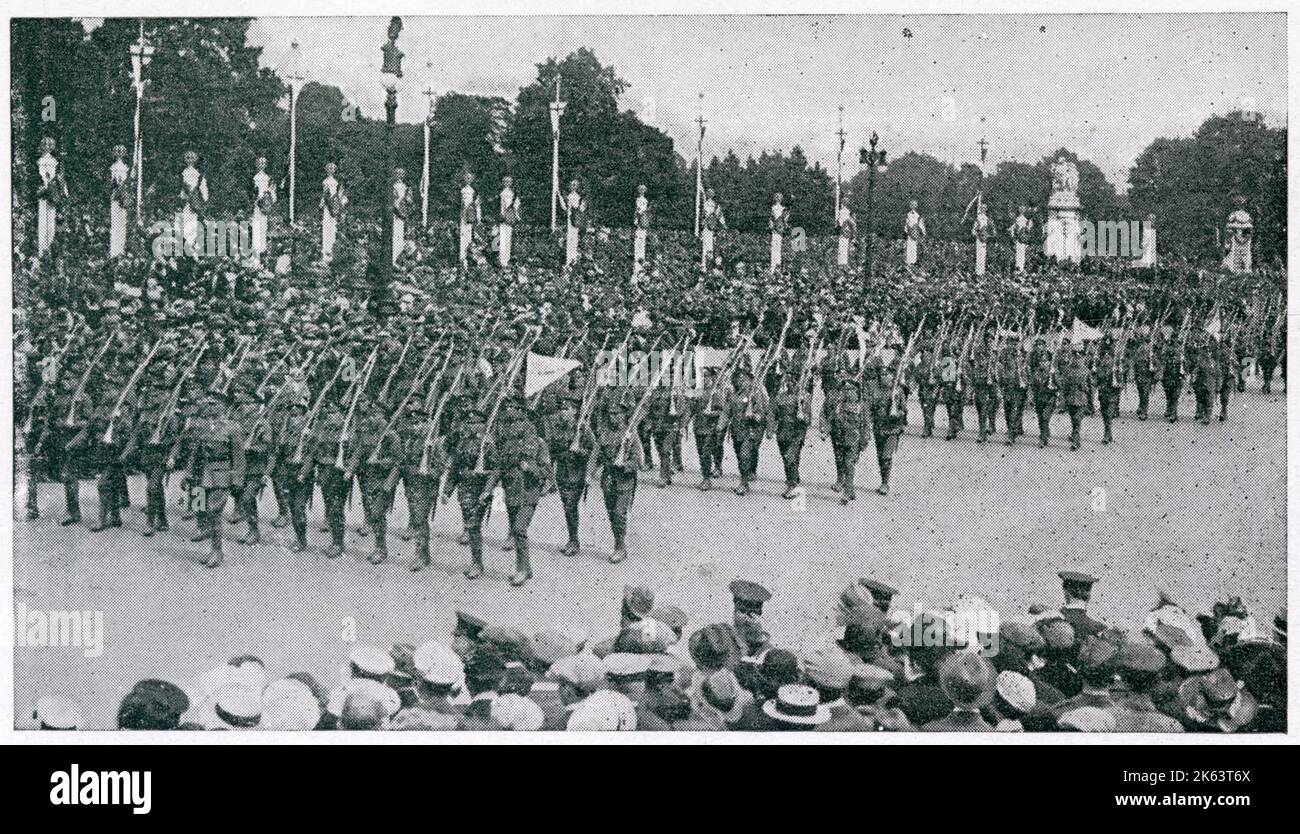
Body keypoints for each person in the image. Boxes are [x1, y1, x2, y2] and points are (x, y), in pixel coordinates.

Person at [183, 386, 246, 568]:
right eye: (208, 403)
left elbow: (239, 457)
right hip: (202, 473)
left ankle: (217, 551)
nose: (209, 406)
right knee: (199, 507)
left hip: (221, 474)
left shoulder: (232, 428)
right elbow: (195, 453)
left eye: (214, 403)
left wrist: (237, 481)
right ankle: (206, 538)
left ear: (223, 407)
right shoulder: (202, 426)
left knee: (214, 512)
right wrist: (188, 473)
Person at [36, 137, 69, 257]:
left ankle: (48, 250)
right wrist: (45, 186)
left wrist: (56, 188)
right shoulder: (41, 161)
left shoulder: (54, 162)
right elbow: (41, 179)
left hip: (51, 196)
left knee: (51, 222)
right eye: (45, 145)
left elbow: (56, 179)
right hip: (44, 195)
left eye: (50, 145)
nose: (48, 147)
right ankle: (43, 251)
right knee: (44, 222)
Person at [108, 144, 132, 258]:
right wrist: (117, 187)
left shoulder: (126, 168)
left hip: (122, 198)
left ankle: (121, 250)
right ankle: (114, 252)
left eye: (121, 151)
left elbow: (127, 184)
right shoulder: (113, 168)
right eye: (117, 151)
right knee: (115, 223)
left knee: (123, 223)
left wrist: (123, 189)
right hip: (115, 198)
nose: (119, 153)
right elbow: (111, 184)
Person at [320, 162, 345, 263]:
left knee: (333, 227)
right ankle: (325, 251)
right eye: (329, 168)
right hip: (327, 207)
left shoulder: (336, 182)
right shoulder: (325, 181)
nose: (331, 170)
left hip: (334, 207)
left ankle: (333, 251)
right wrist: (322, 204)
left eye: (333, 168)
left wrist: (339, 204)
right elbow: (324, 195)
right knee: (326, 227)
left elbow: (338, 196)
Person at [250, 156, 275, 258]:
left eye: (263, 163)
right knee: (256, 227)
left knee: (263, 227)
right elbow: (251, 193)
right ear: (256, 164)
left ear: (266, 165)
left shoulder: (268, 179)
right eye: (259, 163)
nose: (261, 165)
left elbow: (272, 193)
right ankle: (255, 253)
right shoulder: (253, 178)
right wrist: (254, 200)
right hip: (255, 206)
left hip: (264, 205)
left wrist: (268, 199)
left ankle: (263, 252)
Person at [497, 176, 520, 267]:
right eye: (505, 181)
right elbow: (502, 206)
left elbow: (516, 205)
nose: (507, 183)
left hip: (508, 217)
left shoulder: (511, 193)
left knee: (506, 238)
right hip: (506, 218)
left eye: (509, 181)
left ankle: (505, 260)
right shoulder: (504, 193)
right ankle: (503, 260)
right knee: (503, 239)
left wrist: (515, 215)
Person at [768, 193, 789, 273]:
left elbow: (785, 220)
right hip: (775, 230)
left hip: (780, 230)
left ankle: (778, 269)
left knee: (779, 249)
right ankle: (773, 269)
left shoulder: (784, 209)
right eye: (776, 197)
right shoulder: (772, 208)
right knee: (774, 248)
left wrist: (784, 224)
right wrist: (772, 225)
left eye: (779, 197)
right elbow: (771, 219)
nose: (778, 198)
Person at [903, 198, 926, 266]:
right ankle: (908, 261)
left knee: (914, 246)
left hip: (915, 231)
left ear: (916, 206)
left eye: (915, 204)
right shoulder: (908, 214)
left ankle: (914, 261)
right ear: (910, 205)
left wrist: (923, 232)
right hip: (910, 232)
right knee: (909, 245)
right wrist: (906, 230)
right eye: (912, 204)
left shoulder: (918, 215)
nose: (913, 206)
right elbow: (906, 223)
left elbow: (920, 223)